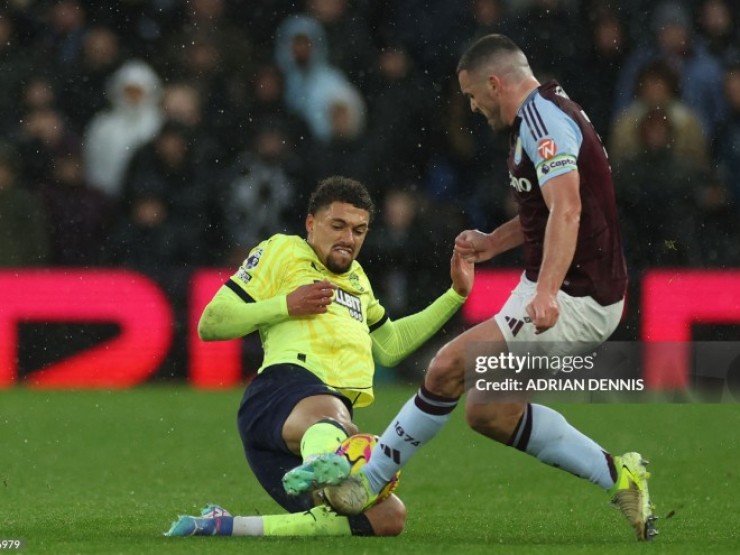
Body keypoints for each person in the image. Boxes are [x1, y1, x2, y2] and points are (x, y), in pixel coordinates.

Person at [322, 35, 658, 542]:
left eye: (472, 95)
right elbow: (546, 212)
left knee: (446, 366)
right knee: (489, 412)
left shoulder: (544, 121)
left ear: (495, 83)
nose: (473, 107)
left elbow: (569, 209)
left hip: (579, 296)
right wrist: (493, 242)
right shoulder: (541, 113)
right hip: (552, 283)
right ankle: (620, 475)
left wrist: (546, 292)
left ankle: (367, 482)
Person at [165, 176, 473, 537]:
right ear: (311, 224)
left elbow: (389, 346)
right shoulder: (283, 250)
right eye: (338, 226)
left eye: (360, 230)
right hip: (281, 393)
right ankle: (323, 462)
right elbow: (211, 323)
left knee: (388, 517)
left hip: (319, 425)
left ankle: (225, 526)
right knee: (331, 415)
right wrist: (286, 305)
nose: (349, 239)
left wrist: (455, 295)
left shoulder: (357, 279)